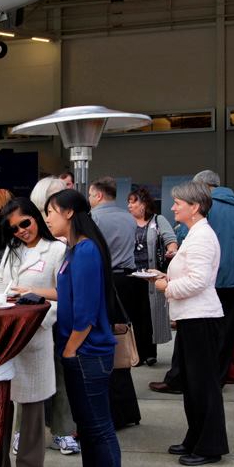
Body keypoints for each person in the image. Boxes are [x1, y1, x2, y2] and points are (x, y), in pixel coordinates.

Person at [44, 189, 124, 467]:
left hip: (88, 353)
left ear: (68, 213)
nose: (46, 218)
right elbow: (67, 294)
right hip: (78, 351)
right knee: (86, 429)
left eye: (50, 211)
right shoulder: (72, 250)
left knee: (99, 429)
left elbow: (87, 312)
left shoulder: (87, 250)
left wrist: (71, 347)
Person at [151, 181, 227, 466]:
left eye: (178, 203)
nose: (172, 207)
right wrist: (166, 279)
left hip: (201, 318)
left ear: (194, 207)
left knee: (203, 386)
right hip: (191, 318)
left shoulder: (202, 237)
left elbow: (199, 281)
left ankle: (209, 446)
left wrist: (165, 286)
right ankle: (195, 439)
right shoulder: (196, 234)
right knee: (193, 385)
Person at [0, 197, 67, 467]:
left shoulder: (58, 250)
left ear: (36, 217)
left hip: (35, 332)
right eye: (14, 228)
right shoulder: (13, 251)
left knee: (33, 405)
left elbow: (64, 293)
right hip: (5, 333)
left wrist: (31, 293)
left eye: (25, 222)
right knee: (1, 403)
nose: (22, 231)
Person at [29, 175, 80, 456]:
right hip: (34, 319)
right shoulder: (33, 239)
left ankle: (61, 430)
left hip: (56, 318)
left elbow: (67, 287)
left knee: (60, 375)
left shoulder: (66, 242)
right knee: (29, 378)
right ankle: (25, 433)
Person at [87, 176, 141, 427]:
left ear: (98, 195)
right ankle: (127, 409)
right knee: (122, 341)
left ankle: (111, 411)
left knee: (106, 343)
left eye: (89, 194)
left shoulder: (94, 219)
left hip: (106, 282)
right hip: (128, 281)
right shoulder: (128, 218)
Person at [194, 169, 234, 386]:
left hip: (215, 274)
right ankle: (225, 372)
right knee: (228, 327)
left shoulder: (209, 206)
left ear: (205, 186)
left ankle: (212, 374)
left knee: (210, 328)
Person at [127, 186, 178, 366]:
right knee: (135, 316)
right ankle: (137, 353)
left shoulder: (158, 220)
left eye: (134, 202)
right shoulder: (128, 222)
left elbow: (171, 240)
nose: (130, 206)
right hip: (132, 275)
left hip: (152, 275)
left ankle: (150, 353)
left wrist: (171, 250)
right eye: (129, 202)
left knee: (151, 315)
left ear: (144, 204)